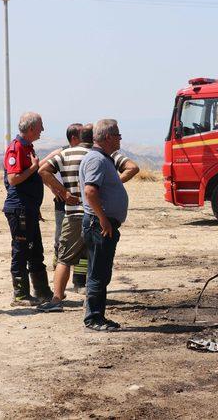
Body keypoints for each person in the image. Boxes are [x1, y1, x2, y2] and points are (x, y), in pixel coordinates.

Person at [37, 123, 139, 312]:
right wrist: (114, 184)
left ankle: (57, 299)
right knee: (94, 259)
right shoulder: (104, 155)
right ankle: (89, 302)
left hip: (75, 213)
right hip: (98, 214)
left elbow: (42, 170)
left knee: (64, 258)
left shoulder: (66, 154)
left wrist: (63, 192)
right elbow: (133, 167)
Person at [79, 119, 129, 331]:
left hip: (102, 224)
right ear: (107, 137)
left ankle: (98, 315)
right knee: (98, 273)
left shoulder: (102, 159)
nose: (120, 138)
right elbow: (91, 192)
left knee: (100, 272)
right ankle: (93, 318)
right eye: (117, 134)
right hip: (99, 225)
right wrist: (103, 219)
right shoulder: (96, 160)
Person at [3, 112, 53, 306]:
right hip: (19, 209)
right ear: (31, 128)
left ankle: (42, 292)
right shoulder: (15, 148)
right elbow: (13, 179)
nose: (43, 130)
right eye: (41, 126)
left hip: (29, 208)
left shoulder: (27, 147)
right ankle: (21, 295)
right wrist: (33, 168)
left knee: (35, 251)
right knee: (21, 251)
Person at [40, 123, 83, 269]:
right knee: (61, 234)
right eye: (82, 136)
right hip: (63, 201)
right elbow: (41, 169)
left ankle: (78, 272)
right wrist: (55, 188)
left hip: (82, 202)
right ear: (73, 138)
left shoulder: (86, 152)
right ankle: (58, 262)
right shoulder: (61, 152)